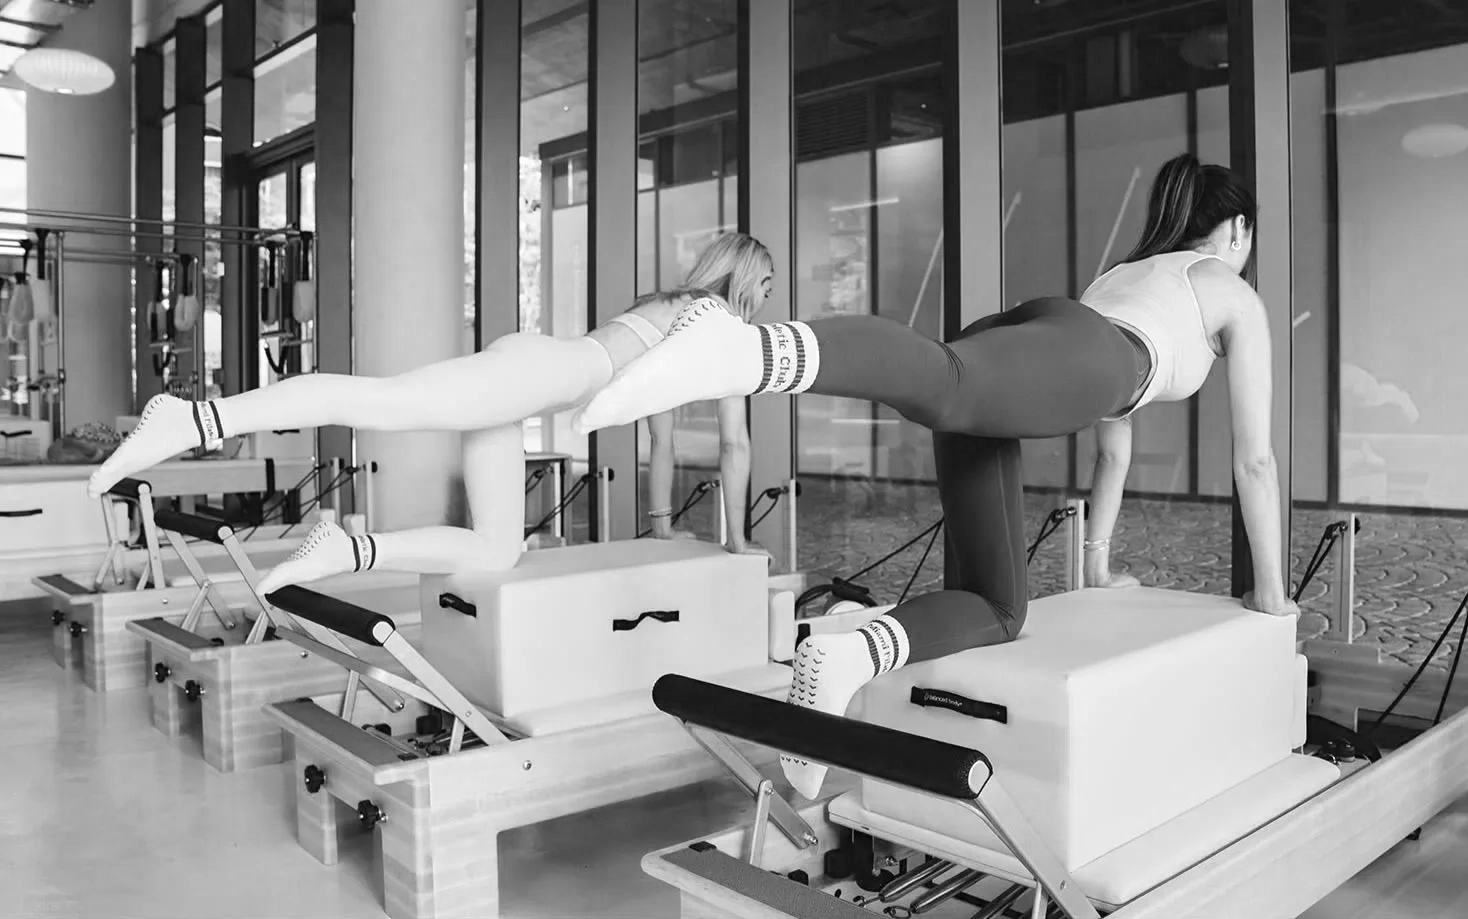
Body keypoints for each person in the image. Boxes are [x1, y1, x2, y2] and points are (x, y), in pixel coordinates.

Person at [572, 153, 1300, 799]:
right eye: (1249, 240)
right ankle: (746, 351)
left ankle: (843, 654)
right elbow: (1255, 459)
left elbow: (1114, 450)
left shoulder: (1129, 273)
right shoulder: (1230, 292)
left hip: (1044, 335)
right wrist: (1272, 598)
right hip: (1089, 359)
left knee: (994, 603)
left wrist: (1100, 567)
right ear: (1236, 230)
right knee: (949, 382)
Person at [89, 232, 777, 593]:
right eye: (765, 285)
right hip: (535, 375)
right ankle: (194, 419)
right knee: (378, 401)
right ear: (741, 280)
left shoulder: (674, 306)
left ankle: (351, 550)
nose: (767, 300)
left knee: (497, 547)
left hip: (531, 376)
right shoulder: (719, 324)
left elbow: (657, 431)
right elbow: (736, 443)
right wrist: (740, 542)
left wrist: (660, 524)